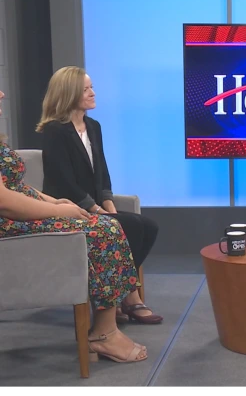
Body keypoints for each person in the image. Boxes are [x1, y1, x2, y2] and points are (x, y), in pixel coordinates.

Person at [0, 90, 147, 363]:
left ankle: (110, 321)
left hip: (23, 210)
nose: (2, 93)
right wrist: (59, 210)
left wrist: (54, 203)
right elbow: (5, 201)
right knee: (104, 230)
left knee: (108, 224)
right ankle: (105, 334)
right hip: (8, 223)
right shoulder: (57, 132)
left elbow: (15, 186)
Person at [36, 66, 162, 325]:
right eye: (86, 89)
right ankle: (130, 297)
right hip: (70, 207)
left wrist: (108, 204)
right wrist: (96, 210)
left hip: (95, 206)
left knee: (147, 226)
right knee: (127, 228)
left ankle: (118, 293)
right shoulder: (55, 131)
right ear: (70, 93)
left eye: (92, 87)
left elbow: (102, 173)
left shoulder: (93, 126)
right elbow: (63, 181)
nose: (93, 93)